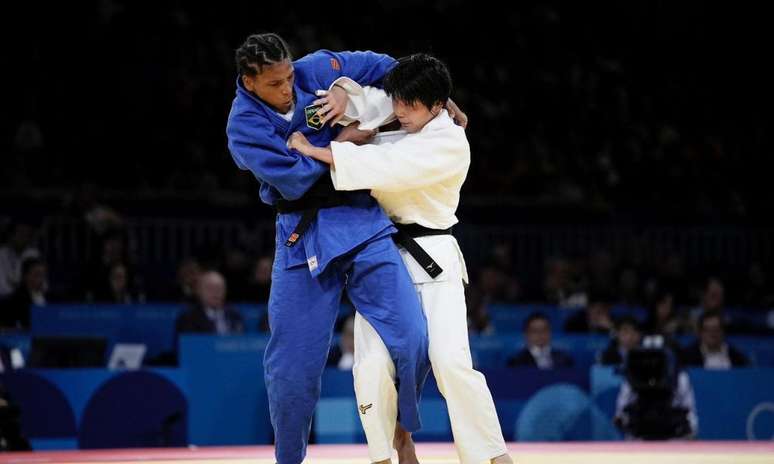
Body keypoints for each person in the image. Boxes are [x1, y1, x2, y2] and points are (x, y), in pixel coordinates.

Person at [289, 53, 511, 464]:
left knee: (449, 361)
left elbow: (387, 166)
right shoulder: (395, 105)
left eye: (411, 106)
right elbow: (343, 97)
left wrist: (319, 151)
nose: (401, 112)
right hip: (379, 256)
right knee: (370, 367)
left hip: (433, 256)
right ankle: (384, 453)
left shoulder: (449, 142)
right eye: (398, 102)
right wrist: (340, 92)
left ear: (437, 106)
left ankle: (490, 455)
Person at [225, 33, 432, 464]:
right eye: (275, 84)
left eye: (288, 78)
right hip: (302, 235)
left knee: (413, 337)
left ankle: (402, 431)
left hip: (361, 219)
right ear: (248, 81)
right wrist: (353, 136)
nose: (287, 89)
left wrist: (431, 98)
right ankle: (289, 459)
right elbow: (297, 177)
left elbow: (387, 63)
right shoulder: (244, 127)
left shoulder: (315, 68)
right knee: (291, 372)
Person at [174, 270, 244, 336]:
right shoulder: (187, 319)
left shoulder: (235, 316)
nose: (215, 292)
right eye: (209, 288)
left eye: (219, 288)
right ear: (199, 291)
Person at [680, 311, 750, 369]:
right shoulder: (687, 357)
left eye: (716, 329)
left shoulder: (737, 357)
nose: (712, 333)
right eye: (707, 329)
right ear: (700, 333)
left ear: (723, 332)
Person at [508, 312, 574, 369]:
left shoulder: (565, 360)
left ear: (550, 332)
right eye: (535, 331)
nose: (540, 334)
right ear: (526, 334)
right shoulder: (516, 362)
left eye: (544, 330)